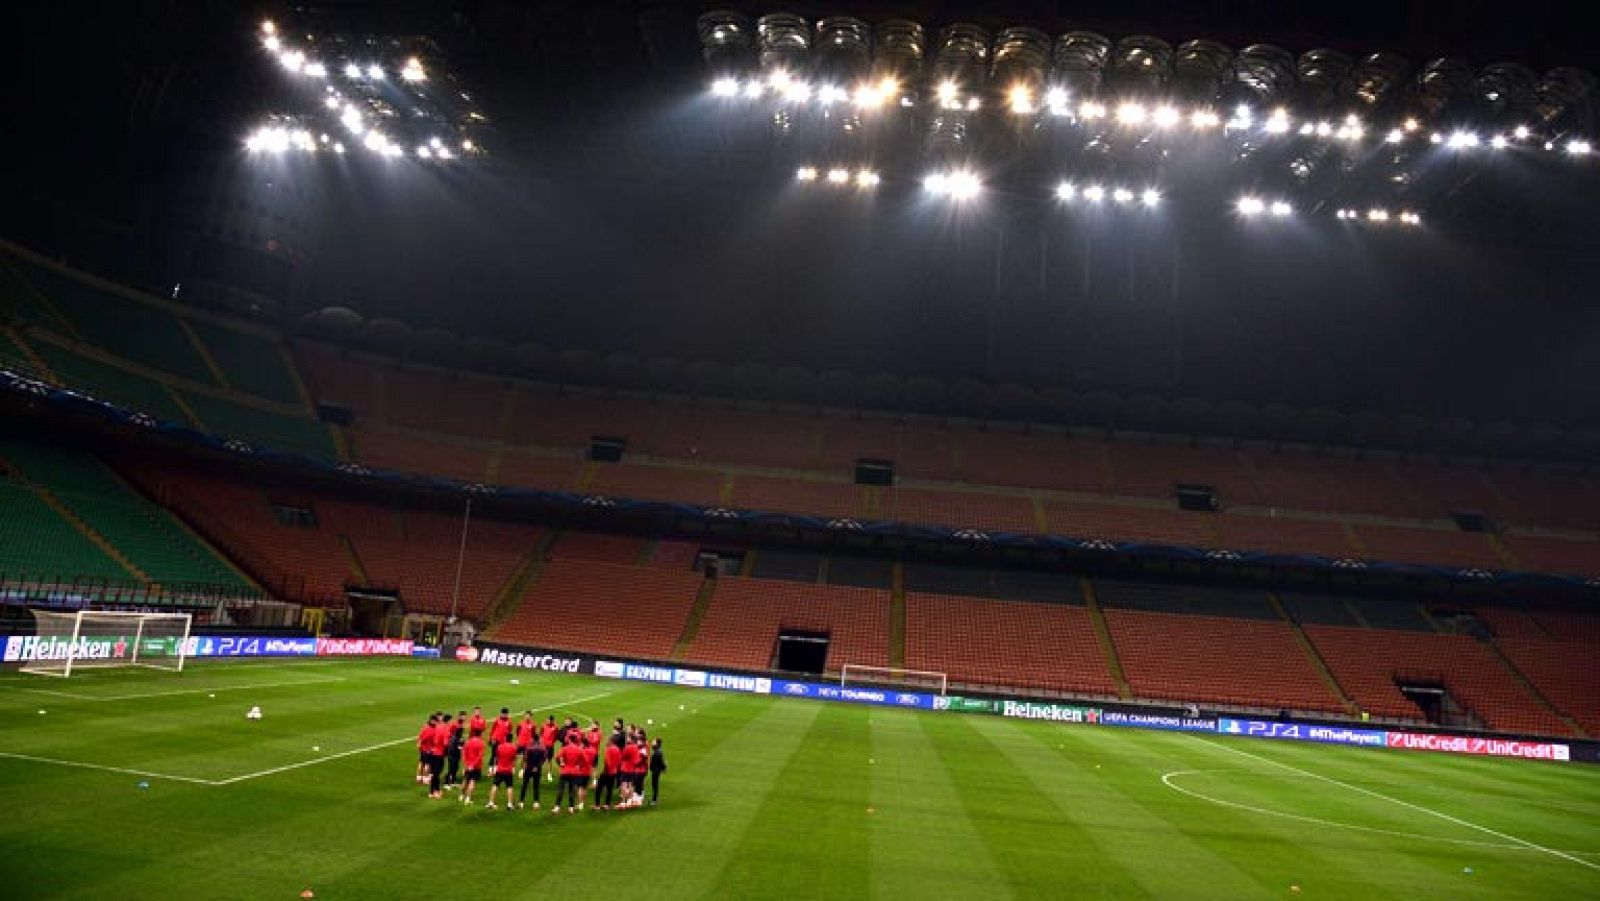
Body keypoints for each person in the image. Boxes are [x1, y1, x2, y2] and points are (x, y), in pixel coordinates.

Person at [485, 735, 518, 811]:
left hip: (499, 769)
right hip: (508, 770)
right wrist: (513, 768)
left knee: (495, 785)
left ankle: (490, 802)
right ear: (511, 739)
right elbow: (514, 759)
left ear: (505, 738)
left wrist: (494, 768)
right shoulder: (514, 748)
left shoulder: (499, 747)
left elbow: (496, 758)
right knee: (509, 786)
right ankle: (509, 804)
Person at [519, 732, 547, 810]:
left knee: (524, 784)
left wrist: (523, 768)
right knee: (536, 785)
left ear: (532, 739)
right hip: (538, 768)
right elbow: (544, 758)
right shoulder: (542, 748)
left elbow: (525, 758)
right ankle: (536, 803)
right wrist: (538, 766)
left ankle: (521, 802)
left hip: (529, 767)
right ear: (539, 739)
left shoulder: (529, 747)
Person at [460, 728, 486, 805]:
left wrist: (466, 764)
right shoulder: (481, 743)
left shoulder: (468, 742)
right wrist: (473, 765)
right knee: (472, 781)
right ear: (480, 734)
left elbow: (464, 753)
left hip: (468, 765)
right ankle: (468, 798)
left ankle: (461, 796)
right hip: (476, 766)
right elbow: (480, 756)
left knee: (465, 780)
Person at [595, 737, 621, 810]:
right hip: (614, 772)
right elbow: (619, 761)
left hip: (607, 772)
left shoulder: (609, 749)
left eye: (608, 740)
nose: (606, 741)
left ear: (611, 741)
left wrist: (605, 771)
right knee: (609, 789)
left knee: (599, 788)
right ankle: (607, 805)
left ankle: (597, 805)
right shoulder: (617, 749)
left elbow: (607, 761)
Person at [444, 711, 465, 787]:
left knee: (455, 768)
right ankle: (447, 783)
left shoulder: (459, 738)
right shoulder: (454, 739)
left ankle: (453, 781)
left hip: (456, 755)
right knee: (451, 768)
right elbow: (453, 748)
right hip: (453, 755)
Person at [416, 714, 438, 785]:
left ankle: (419, 777)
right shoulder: (430, 730)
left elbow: (420, 737)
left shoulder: (425, 727)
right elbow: (424, 739)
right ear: (432, 721)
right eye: (435, 721)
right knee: (427, 764)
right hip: (428, 750)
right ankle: (425, 779)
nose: (436, 722)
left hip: (423, 749)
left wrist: (419, 744)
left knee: (421, 762)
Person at [540, 716, 559, 783]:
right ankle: (539, 773)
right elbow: (541, 733)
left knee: (549, 760)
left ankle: (549, 774)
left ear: (553, 720)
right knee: (541, 759)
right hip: (543, 746)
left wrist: (552, 741)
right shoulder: (543, 725)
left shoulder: (556, 727)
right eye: (549, 720)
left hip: (550, 746)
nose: (550, 721)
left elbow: (556, 736)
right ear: (547, 720)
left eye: (551, 720)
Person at [648, 737, 666, 806]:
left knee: (655, 785)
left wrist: (664, 768)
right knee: (654, 784)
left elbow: (661, 762)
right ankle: (654, 799)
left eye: (654, 741)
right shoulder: (657, 750)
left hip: (656, 771)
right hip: (655, 770)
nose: (652, 742)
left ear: (657, 743)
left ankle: (654, 800)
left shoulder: (658, 752)